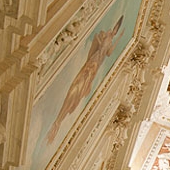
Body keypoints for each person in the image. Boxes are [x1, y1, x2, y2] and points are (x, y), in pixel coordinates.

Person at [47, 15, 124, 143]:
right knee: (75, 88)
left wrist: (118, 39)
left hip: (94, 68)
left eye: (117, 30)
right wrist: (100, 41)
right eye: (115, 28)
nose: (115, 31)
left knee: (78, 94)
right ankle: (57, 121)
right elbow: (98, 41)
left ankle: (58, 122)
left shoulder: (110, 40)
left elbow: (109, 53)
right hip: (91, 63)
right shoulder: (106, 35)